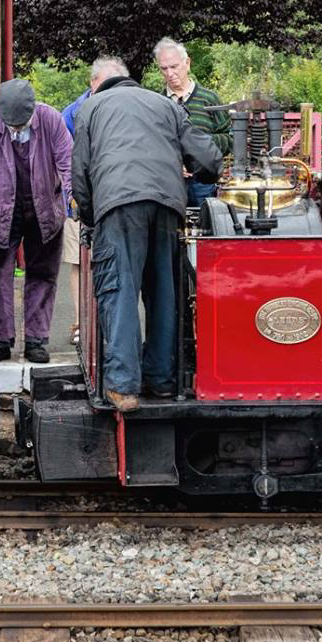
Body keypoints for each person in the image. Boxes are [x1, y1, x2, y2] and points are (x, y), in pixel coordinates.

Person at [72, 56, 221, 411]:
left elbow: (80, 172)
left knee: (120, 289)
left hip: (118, 205)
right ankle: (162, 379)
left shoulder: (91, 108)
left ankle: (123, 386)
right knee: (163, 291)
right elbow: (208, 161)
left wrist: (93, 217)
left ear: (97, 83)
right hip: (168, 204)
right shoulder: (165, 105)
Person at [0, 79, 72, 365]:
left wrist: (75, 200)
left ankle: (36, 340)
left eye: (21, 124)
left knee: (43, 273)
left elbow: (67, 162)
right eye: (11, 125)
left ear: (33, 110)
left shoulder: (51, 119)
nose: (17, 129)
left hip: (44, 209)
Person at [153, 38, 231, 205]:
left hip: (203, 182)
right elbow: (151, 144)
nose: (169, 74)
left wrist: (202, 151)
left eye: (174, 67)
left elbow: (228, 137)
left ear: (187, 63)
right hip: (168, 183)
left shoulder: (209, 99)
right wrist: (174, 163)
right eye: (164, 69)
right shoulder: (157, 103)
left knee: (206, 225)